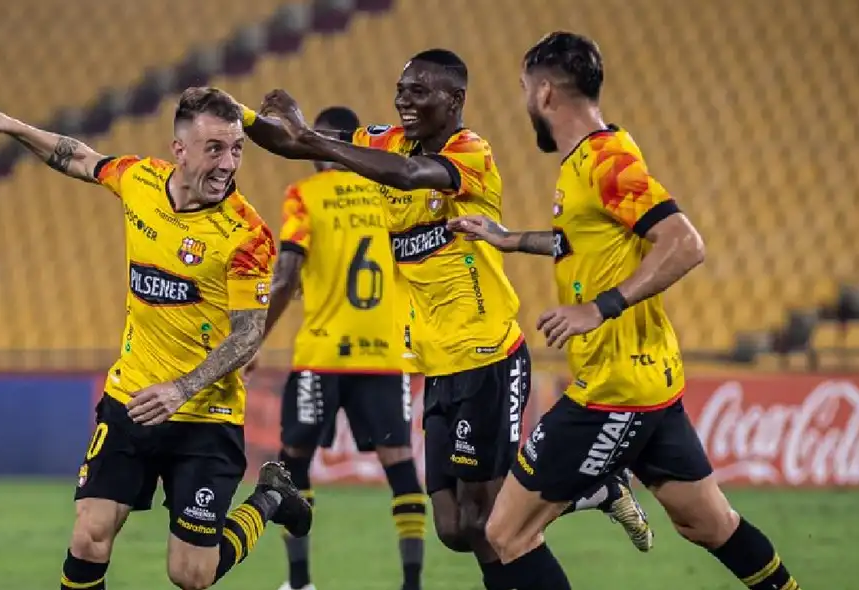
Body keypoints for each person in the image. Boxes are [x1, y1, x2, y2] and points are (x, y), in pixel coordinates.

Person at [240, 49, 653, 589]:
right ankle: (594, 488)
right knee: (455, 528)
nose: (403, 101)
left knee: (494, 523)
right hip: (435, 362)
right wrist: (237, 115)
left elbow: (411, 175)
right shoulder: (386, 141)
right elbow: (290, 143)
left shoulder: (471, 152)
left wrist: (316, 138)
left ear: (454, 100)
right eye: (401, 89)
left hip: (488, 355)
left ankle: (591, 486)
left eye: (418, 92)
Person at [448, 32, 801, 590]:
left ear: (544, 95)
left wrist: (600, 308)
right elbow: (583, 242)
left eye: (523, 89)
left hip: (612, 391)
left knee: (504, 536)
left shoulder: (606, 161)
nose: (523, 102)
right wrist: (510, 239)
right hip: (650, 381)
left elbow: (685, 243)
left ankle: (603, 487)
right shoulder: (589, 159)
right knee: (708, 522)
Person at [0, 87, 312, 590]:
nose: (229, 163)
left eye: (236, 149)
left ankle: (272, 496)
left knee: (191, 576)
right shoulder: (140, 179)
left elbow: (249, 336)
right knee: (89, 536)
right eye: (215, 149)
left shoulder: (246, 235)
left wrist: (181, 388)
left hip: (204, 416)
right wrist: (9, 124)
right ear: (179, 150)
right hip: (131, 398)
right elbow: (78, 156)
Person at [245, 105, 427, 590]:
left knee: (293, 465)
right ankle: (413, 585)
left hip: (323, 355)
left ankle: (300, 582)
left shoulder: (305, 196)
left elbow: (285, 275)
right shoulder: (384, 194)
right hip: (384, 357)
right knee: (403, 471)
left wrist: (254, 339)